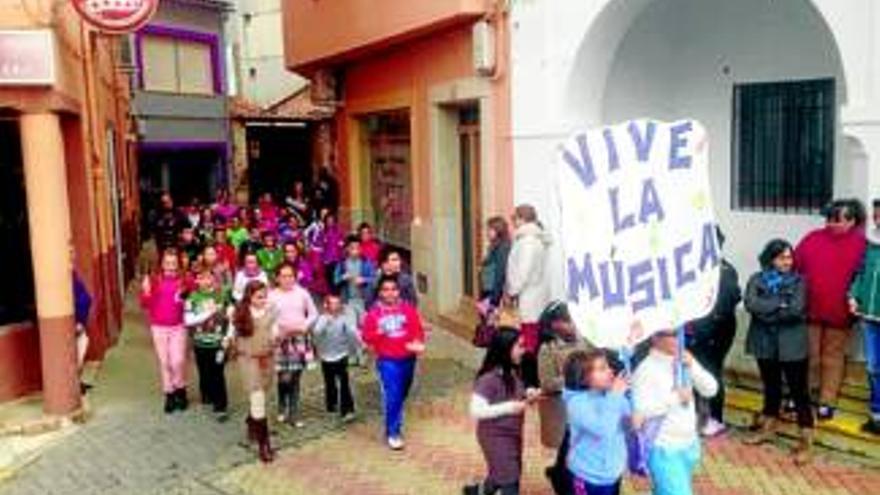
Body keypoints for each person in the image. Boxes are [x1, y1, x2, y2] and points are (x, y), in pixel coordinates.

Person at [743, 239, 814, 464]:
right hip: (764, 342)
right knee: (771, 387)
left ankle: (806, 441)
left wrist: (767, 310)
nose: (787, 261)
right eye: (782, 257)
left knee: (799, 392)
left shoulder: (799, 281)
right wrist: (778, 304)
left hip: (792, 344)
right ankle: (767, 429)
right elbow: (750, 304)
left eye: (789, 257)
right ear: (771, 258)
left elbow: (795, 310)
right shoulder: (757, 279)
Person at [795, 198, 866, 419]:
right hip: (810, 310)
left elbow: (864, 278)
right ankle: (804, 395)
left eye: (837, 219)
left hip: (841, 313)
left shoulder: (863, 244)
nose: (831, 223)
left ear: (852, 221)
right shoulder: (812, 238)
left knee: (832, 358)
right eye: (829, 218)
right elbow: (796, 266)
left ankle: (827, 401)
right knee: (809, 355)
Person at [632, 330, 718, 495]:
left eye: (680, 332)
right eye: (671, 334)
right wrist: (676, 397)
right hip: (663, 448)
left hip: (689, 443)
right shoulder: (646, 370)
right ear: (655, 337)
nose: (679, 338)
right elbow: (641, 412)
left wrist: (692, 366)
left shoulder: (684, 360)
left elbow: (711, 389)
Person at [464, 328, 532, 495]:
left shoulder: (512, 372)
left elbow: (513, 395)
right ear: (505, 348)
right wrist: (510, 407)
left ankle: (478, 491)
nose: (523, 351)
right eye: (519, 346)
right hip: (495, 437)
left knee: (501, 471)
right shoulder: (488, 379)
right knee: (510, 478)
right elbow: (476, 410)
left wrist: (528, 394)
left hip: (512, 434)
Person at [361, 275, 426, 450]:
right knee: (393, 394)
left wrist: (418, 343)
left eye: (393, 289)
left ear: (398, 291)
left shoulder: (407, 309)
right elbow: (366, 337)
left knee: (403, 392)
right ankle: (393, 432)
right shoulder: (374, 314)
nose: (390, 293)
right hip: (387, 360)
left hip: (408, 357)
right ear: (380, 293)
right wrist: (379, 332)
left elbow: (417, 330)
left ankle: (394, 412)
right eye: (386, 289)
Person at [687, 228, 741, 437]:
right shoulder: (695, 267)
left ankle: (715, 419)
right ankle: (695, 415)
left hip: (715, 332)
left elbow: (725, 304)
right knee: (692, 373)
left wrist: (703, 331)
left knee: (712, 373)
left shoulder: (725, 270)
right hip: (695, 331)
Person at [563, 350, 634, 495]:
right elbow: (603, 430)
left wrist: (629, 396)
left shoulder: (611, 395)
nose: (610, 371)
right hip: (587, 476)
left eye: (608, 366)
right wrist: (615, 396)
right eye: (602, 368)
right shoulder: (577, 403)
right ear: (583, 377)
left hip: (612, 473)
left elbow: (629, 425)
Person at [536, 302, 586, 495]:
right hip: (563, 409)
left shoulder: (583, 339)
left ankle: (557, 472)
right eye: (567, 321)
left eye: (572, 320)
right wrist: (573, 377)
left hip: (584, 404)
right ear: (554, 324)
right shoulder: (547, 349)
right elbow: (547, 383)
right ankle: (562, 481)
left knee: (571, 449)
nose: (573, 325)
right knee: (568, 447)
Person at [230, 281, 276, 463]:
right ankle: (264, 445)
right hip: (248, 360)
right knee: (257, 397)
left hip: (267, 359)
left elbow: (274, 332)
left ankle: (251, 421)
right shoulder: (240, 313)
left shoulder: (271, 312)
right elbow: (231, 334)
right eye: (259, 297)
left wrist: (276, 338)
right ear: (249, 296)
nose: (263, 300)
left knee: (263, 394)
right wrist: (227, 342)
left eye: (265, 296)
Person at [505, 204, 551, 389]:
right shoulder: (534, 239)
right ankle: (530, 382)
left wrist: (511, 290)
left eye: (514, 218)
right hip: (535, 296)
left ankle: (530, 384)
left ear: (521, 219)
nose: (513, 223)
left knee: (529, 342)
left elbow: (522, 271)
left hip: (529, 298)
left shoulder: (528, 242)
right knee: (531, 340)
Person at [269, 263, 319, 427]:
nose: (287, 279)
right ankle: (282, 405)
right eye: (283, 276)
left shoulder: (302, 293)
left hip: (299, 340)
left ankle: (294, 413)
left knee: (295, 378)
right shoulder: (272, 295)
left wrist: (303, 326)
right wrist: (278, 332)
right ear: (277, 278)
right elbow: (268, 319)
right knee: (284, 378)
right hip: (280, 341)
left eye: (290, 275)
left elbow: (313, 314)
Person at [140, 250, 189, 414]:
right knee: (165, 362)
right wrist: (146, 291)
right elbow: (145, 305)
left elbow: (193, 296)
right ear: (162, 264)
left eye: (173, 263)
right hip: (158, 327)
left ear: (178, 264)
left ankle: (180, 388)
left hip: (178, 327)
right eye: (167, 263)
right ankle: (170, 394)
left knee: (178, 361)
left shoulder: (184, 280)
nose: (170, 266)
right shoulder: (155, 280)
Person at [848, 198, 880, 435]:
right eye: (876, 215)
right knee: (873, 366)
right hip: (869, 318)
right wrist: (853, 296)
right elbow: (860, 273)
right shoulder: (871, 245)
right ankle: (876, 414)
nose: (877, 219)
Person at [184, 264, 230, 421]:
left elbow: (230, 315)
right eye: (201, 277)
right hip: (200, 343)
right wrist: (208, 312)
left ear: (213, 278)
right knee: (204, 371)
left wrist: (228, 336)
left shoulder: (221, 295)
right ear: (196, 280)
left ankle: (221, 405)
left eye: (208, 277)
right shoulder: (192, 298)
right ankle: (207, 395)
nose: (205, 280)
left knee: (218, 372)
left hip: (218, 343)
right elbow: (188, 320)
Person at [313, 293, 360, 421]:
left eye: (337, 303)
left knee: (344, 381)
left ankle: (347, 409)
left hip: (341, 354)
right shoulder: (322, 318)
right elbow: (316, 333)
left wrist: (356, 347)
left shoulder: (344, 318)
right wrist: (325, 322)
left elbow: (352, 332)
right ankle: (331, 404)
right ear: (326, 306)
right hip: (326, 355)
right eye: (332, 304)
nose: (335, 307)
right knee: (329, 381)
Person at [334, 235, 377, 329]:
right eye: (352, 248)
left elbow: (375, 279)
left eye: (358, 248)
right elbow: (335, 281)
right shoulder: (342, 264)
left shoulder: (367, 262)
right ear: (347, 249)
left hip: (363, 300)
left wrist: (364, 280)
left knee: (365, 326)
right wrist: (342, 278)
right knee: (351, 327)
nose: (355, 250)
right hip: (348, 301)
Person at [479, 216, 512, 308]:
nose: (487, 233)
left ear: (498, 230)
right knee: (484, 314)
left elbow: (500, 272)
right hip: (488, 288)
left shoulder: (503, 247)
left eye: (490, 230)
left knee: (489, 317)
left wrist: (495, 297)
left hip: (493, 291)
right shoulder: (495, 245)